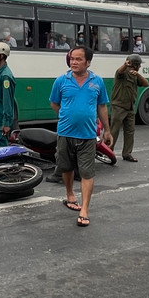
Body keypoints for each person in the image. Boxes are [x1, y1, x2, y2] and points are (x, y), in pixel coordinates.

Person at [49, 45, 113, 228]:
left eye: (78, 59)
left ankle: (84, 209)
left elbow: (102, 106)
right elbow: (54, 103)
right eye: (72, 59)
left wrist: (107, 130)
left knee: (87, 172)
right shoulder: (61, 80)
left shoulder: (97, 81)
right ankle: (70, 194)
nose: (74, 62)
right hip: (64, 133)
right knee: (66, 167)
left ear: (88, 62)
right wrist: (66, 116)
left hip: (87, 136)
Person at [110, 55, 147, 162]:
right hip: (119, 106)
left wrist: (138, 75)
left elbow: (146, 84)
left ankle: (127, 153)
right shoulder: (122, 73)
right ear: (135, 65)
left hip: (130, 107)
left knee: (130, 131)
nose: (140, 67)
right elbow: (119, 72)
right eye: (139, 65)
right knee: (114, 131)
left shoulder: (135, 75)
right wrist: (124, 65)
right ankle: (108, 151)